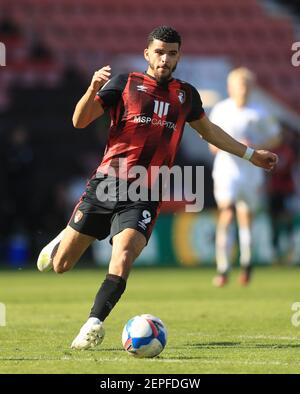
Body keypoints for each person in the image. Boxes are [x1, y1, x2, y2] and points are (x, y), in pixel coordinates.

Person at [36, 27, 278, 349]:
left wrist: (250, 154)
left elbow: (210, 132)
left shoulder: (185, 95)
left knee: (123, 255)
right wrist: (91, 89)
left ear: (179, 56)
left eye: (172, 53)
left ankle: (93, 324)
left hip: (146, 194)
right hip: (107, 184)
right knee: (62, 265)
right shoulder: (124, 83)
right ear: (148, 53)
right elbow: (80, 121)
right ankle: (61, 241)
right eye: (160, 52)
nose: (165, 59)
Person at [209, 67, 280, 287]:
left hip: (251, 172)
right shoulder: (220, 110)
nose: (244, 90)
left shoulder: (259, 111)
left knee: (245, 217)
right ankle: (223, 268)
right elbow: (212, 145)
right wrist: (235, 148)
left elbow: (276, 138)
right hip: (226, 171)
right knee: (227, 213)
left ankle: (247, 262)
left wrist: (256, 148)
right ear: (231, 87)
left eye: (247, 85)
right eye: (240, 85)